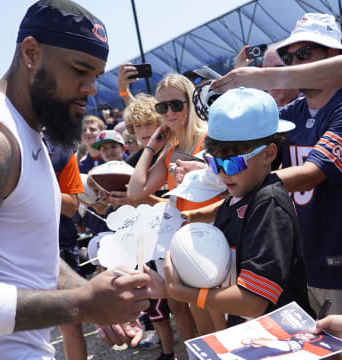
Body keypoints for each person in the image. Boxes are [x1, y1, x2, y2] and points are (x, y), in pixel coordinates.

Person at [0, 1, 150, 358]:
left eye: (97, 75)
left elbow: (29, 254)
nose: (91, 89)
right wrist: (79, 304)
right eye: (79, 70)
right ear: (32, 53)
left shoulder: (31, 135)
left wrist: (97, 298)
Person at [163, 87, 314, 329]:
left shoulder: (269, 204)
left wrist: (184, 293)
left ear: (269, 153)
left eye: (232, 163)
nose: (222, 173)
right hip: (250, 334)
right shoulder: (237, 198)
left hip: (282, 338)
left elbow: (254, 302)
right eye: (214, 162)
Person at [128, 73, 225, 338]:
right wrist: (150, 146)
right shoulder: (171, 150)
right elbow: (136, 191)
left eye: (176, 104)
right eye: (162, 107)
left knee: (223, 326)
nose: (169, 112)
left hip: (218, 240)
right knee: (204, 326)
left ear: (190, 103)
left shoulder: (210, 138)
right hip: (186, 244)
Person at [271, 13, 342, 316]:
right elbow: (253, 156)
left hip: (336, 266)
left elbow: (310, 175)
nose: (295, 63)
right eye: (289, 56)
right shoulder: (291, 113)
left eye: (304, 53)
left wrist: (246, 184)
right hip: (301, 263)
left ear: (333, 56)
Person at [123, 93, 176, 360]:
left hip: (179, 238)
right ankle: (169, 353)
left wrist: (141, 196)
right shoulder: (136, 163)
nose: (144, 131)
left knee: (186, 305)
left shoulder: (177, 149)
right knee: (158, 306)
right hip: (151, 242)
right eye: (137, 126)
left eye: (148, 123)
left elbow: (174, 207)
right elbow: (135, 203)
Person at [45, 137, 88, 360]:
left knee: (70, 325)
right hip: (9, 250)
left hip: (59, 247)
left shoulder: (60, 151)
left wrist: (36, 184)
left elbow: (72, 207)